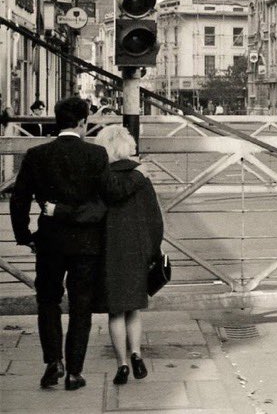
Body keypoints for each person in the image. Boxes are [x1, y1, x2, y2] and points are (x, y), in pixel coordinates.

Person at [45, 125, 164, 385]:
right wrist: (153, 250)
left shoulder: (100, 178)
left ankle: (121, 364)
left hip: (108, 250)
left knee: (116, 312)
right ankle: (136, 354)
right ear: (126, 147)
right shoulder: (140, 177)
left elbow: (92, 213)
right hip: (136, 250)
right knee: (133, 307)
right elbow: (155, 219)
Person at [8, 96, 109, 391]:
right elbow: (103, 203)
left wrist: (24, 235)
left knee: (48, 300)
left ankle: (53, 361)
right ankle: (75, 372)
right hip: (86, 244)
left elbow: (19, 198)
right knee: (81, 305)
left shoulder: (37, 155)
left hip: (49, 241)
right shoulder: (97, 155)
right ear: (82, 123)